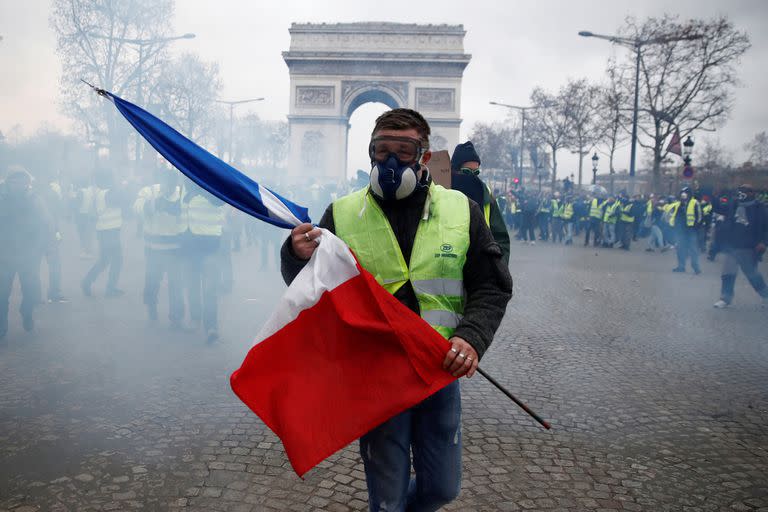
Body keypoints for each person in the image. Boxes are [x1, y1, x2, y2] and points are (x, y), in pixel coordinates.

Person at [280, 108, 512, 511]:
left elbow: (492, 284)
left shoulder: (462, 210)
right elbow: (310, 286)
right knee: (386, 498)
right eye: (379, 149)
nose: (388, 161)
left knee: (442, 489)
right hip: (375, 371)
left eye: (402, 151)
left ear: (423, 157)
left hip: (438, 368)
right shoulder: (342, 213)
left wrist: (471, 337)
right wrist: (296, 255)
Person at [0, 168, 50, 340]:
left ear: (27, 183)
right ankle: (1, 328)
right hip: (4, 255)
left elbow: (45, 224)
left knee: (30, 292)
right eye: (14, 181)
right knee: (1, 293)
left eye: (21, 181)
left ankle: (26, 312)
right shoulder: (1, 198)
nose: (17, 185)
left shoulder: (35, 200)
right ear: (8, 182)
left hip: (28, 255)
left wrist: (40, 247)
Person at [134, 169, 184, 326]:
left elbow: (186, 214)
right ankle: (151, 307)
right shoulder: (149, 191)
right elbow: (137, 208)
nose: (168, 189)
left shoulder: (181, 194)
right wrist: (152, 205)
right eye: (166, 185)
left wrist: (176, 208)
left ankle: (176, 317)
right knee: (152, 281)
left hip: (175, 248)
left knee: (176, 283)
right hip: (153, 247)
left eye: (172, 186)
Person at [450, 141, 511, 265]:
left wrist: (499, 268)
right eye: (467, 172)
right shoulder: (440, 193)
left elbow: (501, 238)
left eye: (476, 172)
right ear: (454, 170)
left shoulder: (486, 195)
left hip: (480, 268)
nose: (472, 177)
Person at [181, 180, 226, 342]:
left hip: (210, 249)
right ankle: (195, 319)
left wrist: (202, 189)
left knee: (209, 290)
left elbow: (219, 201)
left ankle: (211, 327)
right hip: (189, 249)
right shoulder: (185, 195)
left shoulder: (214, 194)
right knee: (192, 287)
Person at [712, 184, 768, 308]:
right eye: (740, 191)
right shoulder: (734, 204)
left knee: (752, 274)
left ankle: (766, 295)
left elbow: (765, 228)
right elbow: (720, 209)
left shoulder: (759, 208)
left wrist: (763, 242)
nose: (741, 193)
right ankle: (725, 298)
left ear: (752, 193)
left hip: (749, 247)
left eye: (744, 191)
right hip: (732, 245)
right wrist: (714, 197)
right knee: (728, 272)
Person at [81, 170, 125, 297]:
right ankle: (109, 288)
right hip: (109, 232)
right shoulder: (108, 193)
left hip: (106, 231)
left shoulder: (100, 193)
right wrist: (119, 186)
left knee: (105, 260)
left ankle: (87, 282)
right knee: (117, 260)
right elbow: (121, 200)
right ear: (108, 180)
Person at [669, 186, 702, 274]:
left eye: (685, 193)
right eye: (682, 193)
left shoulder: (695, 203)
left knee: (693, 249)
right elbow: (674, 215)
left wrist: (696, 227)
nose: (683, 195)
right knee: (680, 249)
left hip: (691, 230)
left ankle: (696, 267)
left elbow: (699, 217)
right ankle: (681, 266)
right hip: (681, 230)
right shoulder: (678, 204)